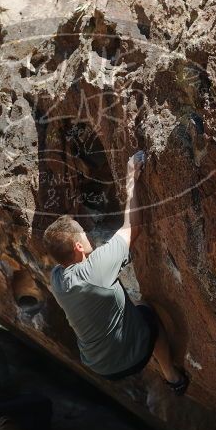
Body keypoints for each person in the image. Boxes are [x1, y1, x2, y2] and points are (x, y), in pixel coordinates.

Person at [43, 151, 189, 395]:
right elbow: (132, 228)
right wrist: (132, 178)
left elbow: (60, 250)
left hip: (98, 366)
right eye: (82, 232)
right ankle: (171, 375)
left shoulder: (57, 279)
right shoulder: (96, 267)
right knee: (147, 309)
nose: (87, 233)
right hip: (130, 358)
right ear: (78, 246)